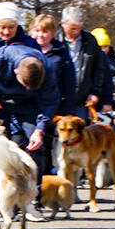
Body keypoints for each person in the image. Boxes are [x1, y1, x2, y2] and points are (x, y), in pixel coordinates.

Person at [0, 2, 52, 216]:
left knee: (35, 148)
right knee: (3, 149)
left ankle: (33, 199)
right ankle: (7, 199)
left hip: (28, 104)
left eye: (11, 28)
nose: (6, 32)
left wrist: (40, 128)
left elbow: (48, 96)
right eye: (1, 28)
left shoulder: (36, 53)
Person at [30, 12, 74, 172]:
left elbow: (69, 84)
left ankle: (48, 184)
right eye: (37, 30)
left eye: (45, 31)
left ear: (53, 33)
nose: (40, 35)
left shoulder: (61, 54)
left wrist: (68, 110)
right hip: (29, 104)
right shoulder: (25, 49)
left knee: (47, 148)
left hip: (53, 106)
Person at [61, 7, 115, 114]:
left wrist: (95, 92)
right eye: (72, 28)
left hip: (83, 98)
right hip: (61, 97)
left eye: (79, 28)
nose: (76, 32)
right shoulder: (56, 42)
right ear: (63, 23)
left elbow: (99, 69)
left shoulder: (90, 40)